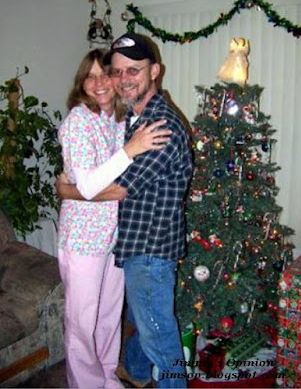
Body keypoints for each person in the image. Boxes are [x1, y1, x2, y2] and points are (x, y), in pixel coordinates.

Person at [57, 33, 193, 388]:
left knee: (156, 336)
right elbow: (98, 174)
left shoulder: (155, 126)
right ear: (81, 83)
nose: (118, 80)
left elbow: (118, 188)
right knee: (95, 323)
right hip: (116, 244)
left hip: (145, 248)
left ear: (154, 71)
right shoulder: (123, 120)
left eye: (132, 70)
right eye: (114, 72)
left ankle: (114, 377)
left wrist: (66, 189)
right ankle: (98, 381)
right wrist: (72, 185)